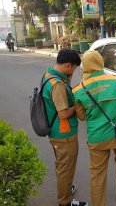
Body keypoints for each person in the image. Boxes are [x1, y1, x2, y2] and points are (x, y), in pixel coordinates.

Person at [72, 51, 116, 206]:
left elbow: (82, 117)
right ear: (100, 62)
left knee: (97, 174)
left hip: (97, 137)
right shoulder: (115, 81)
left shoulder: (79, 90)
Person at [41, 49, 87, 206]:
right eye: (73, 68)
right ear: (68, 65)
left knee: (62, 166)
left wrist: (68, 78)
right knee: (65, 168)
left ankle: (65, 189)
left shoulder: (49, 75)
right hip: (64, 134)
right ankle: (65, 201)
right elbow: (63, 113)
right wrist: (77, 105)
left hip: (55, 132)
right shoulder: (58, 85)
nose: (73, 71)